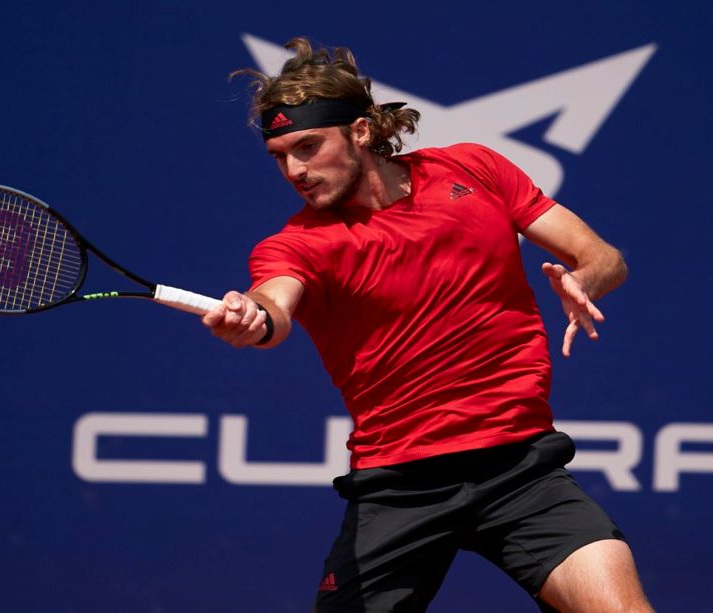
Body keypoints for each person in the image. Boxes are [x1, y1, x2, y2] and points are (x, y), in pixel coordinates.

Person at [202, 37, 652, 613]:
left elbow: (603, 256)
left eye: (309, 147)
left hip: (521, 470)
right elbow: (274, 305)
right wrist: (253, 317)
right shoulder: (294, 245)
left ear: (361, 132)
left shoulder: (475, 168)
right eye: (280, 156)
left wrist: (584, 280)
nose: (295, 170)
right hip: (398, 489)